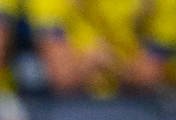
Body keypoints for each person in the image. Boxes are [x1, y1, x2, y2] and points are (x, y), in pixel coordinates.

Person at [23, 0, 176, 95]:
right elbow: (63, 77)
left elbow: (147, 77)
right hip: (75, 107)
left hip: (146, 109)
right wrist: (88, 65)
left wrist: (112, 65)